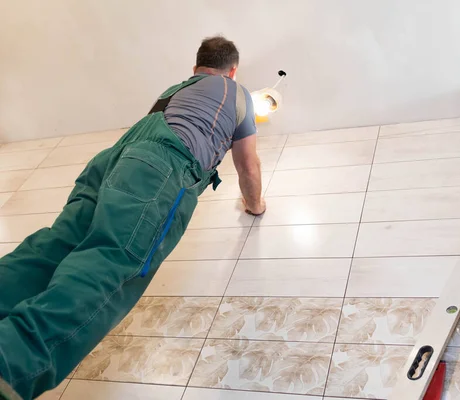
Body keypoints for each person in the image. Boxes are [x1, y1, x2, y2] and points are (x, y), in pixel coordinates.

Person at [0, 35, 265, 400]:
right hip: (161, 166)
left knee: (54, 248)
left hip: (115, 160)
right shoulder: (238, 94)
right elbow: (248, 164)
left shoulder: (176, 89)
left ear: (195, 68)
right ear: (233, 70)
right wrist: (256, 205)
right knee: (108, 263)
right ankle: (8, 368)